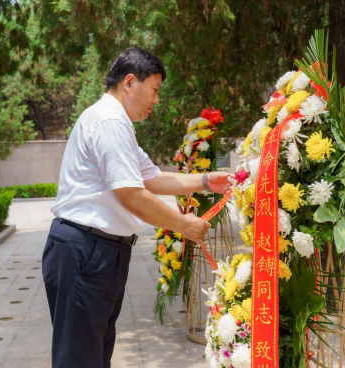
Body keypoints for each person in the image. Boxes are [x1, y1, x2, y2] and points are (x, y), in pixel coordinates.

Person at [42, 46, 233, 368]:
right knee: (80, 357)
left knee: (94, 352)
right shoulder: (109, 121)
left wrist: (205, 181)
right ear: (130, 82)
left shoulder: (117, 124)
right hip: (85, 248)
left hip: (99, 249)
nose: (156, 100)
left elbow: (152, 178)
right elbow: (131, 193)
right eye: (154, 90)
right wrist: (182, 224)